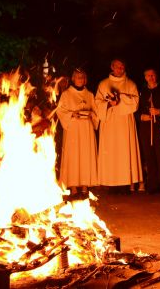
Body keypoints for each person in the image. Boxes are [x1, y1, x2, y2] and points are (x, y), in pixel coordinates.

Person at [94, 59, 142, 192]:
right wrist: (109, 104)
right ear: (112, 67)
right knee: (111, 151)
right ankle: (110, 183)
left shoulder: (130, 84)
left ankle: (126, 183)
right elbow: (97, 103)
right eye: (117, 67)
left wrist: (120, 98)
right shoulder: (103, 84)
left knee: (125, 151)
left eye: (122, 67)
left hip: (124, 123)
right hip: (109, 122)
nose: (119, 69)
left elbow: (135, 103)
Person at [56, 69, 99, 197]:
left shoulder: (90, 95)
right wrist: (71, 114)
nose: (80, 79)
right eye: (78, 77)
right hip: (73, 128)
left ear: (85, 79)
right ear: (73, 78)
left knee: (85, 154)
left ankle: (85, 184)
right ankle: (73, 185)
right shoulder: (66, 94)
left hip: (86, 127)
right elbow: (60, 111)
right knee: (73, 155)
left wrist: (92, 114)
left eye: (82, 77)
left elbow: (96, 111)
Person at [136, 68, 160, 194]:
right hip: (145, 128)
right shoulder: (141, 92)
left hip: (159, 128)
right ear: (145, 77)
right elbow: (135, 110)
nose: (151, 77)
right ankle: (152, 185)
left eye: (153, 75)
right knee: (149, 157)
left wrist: (159, 112)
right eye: (148, 75)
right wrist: (141, 117)